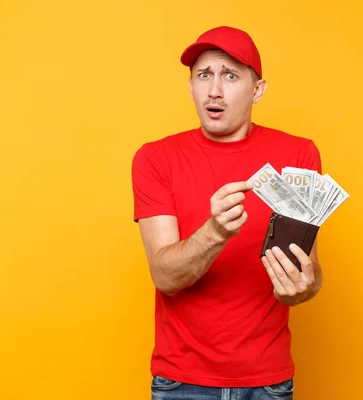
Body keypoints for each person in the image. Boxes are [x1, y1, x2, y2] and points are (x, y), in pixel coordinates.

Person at [132, 25, 324, 399]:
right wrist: (216, 231)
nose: (214, 90)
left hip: (268, 381)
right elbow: (165, 277)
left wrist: (301, 288)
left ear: (257, 90)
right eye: (204, 75)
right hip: (180, 382)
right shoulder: (155, 159)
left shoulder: (299, 157)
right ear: (191, 86)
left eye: (230, 75)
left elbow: (311, 273)